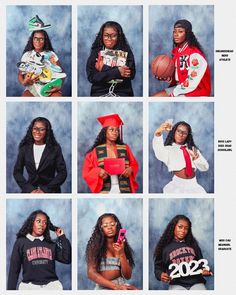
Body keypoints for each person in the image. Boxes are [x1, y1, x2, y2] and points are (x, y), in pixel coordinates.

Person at [7, 210, 71, 290]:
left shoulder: (51, 244)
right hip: (28, 287)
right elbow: (14, 271)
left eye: (45, 222)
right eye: (38, 221)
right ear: (31, 222)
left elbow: (67, 259)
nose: (42, 225)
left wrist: (62, 237)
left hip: (52, 286)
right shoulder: (21, 242)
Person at [152, 19, 211, 97]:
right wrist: (167, 77)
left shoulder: (195, 55)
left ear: (187, 34)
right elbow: (178, 77)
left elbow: (191, 82)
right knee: (155, 97)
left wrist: (173, 94)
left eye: (180, 31)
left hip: (197, 90)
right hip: (182, 87)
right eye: (174, 31)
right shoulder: (177, 52)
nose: (176, 34)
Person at [153, 215, 213, 290]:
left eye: (186, 228)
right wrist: (160, 274)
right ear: (173, 227)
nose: (183, 230)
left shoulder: (193, 244)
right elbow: (158, 268)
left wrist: (205, 270)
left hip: (196, 282)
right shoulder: (164, 246)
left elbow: (201, 262)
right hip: (176, 283)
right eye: (180, 227)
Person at [82, 113, 138, 193]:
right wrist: (98, 171)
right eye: (111, 129)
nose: (115, 132)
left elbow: (134, 164)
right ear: (105, 132)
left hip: (124, 188)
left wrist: (131, 169)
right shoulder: (96, 151)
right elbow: (87, 172)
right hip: (105, 190)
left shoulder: (125, 148)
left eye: (117, 130)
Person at [13, 117, 67, 193]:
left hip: (50, 190)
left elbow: (62, 173)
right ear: (31, 129)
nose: (37, 132)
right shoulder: (24, 148)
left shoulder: (55, 149)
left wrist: (45, 190)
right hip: (30, 191)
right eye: (35, 128)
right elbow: (17, 172)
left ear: (47, 131)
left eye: (42, 129)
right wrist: (29, 189)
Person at [152, 120, 209, 193]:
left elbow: (205, 167)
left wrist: (196, 159)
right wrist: (158, 134)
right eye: (178, 131)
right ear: (174, 132)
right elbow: (159, 153)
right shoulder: (168, 149)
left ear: (187, 135)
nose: (181, 134)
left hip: (194, 185)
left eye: (184, 133)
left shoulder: (193, 150)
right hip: (177, 186)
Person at [86, 213, 138, 290]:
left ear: (117, 226)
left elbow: (128, 276)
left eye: (112, 224)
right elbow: (91, 273)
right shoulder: (95, 247)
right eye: (105, 225)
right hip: (105, 287)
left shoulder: (122, 246)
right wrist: (116, 287)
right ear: (100, 229)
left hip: (122, 285)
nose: (109, 227)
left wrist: (122, 253)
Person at [18, 15, 65, 97]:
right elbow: (20, 74)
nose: (38, 41)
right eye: (35, 38)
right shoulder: (27, 55)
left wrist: (59, 85)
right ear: (32, 40)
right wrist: (24, 82)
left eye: (41, 39)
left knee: (58, 97)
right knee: (25, 97)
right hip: (32, 87)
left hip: (49, 86)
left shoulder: (51, 54)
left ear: (45, 40)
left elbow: (62, 73)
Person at [86, 21, 136, 96]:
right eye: (106, 35)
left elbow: (130, 74)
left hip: (122, 92)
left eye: (113, 35)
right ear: (101, 36)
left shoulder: (126, 51)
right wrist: (118, 72)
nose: (109, 39)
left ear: (118, 36)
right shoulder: (96, 52)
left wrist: (104, 68)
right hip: (100, 92)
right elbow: (92, 77)